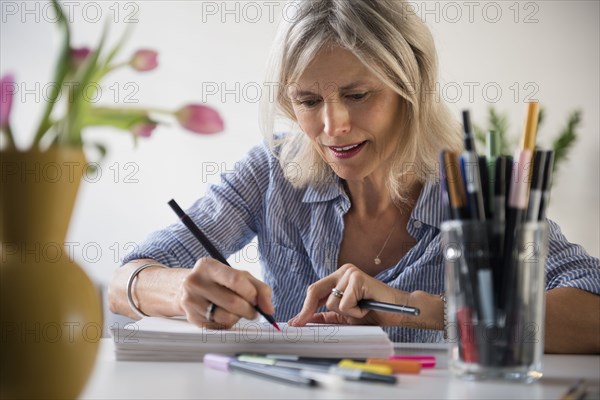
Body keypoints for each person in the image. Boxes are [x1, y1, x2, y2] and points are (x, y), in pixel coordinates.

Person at [108, 0, 600, 353]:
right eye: (308, 101)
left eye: (358, 94)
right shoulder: (272, 173)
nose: (332, 125)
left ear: (412, 88)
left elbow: (592, 311)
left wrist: (416, 308)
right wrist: (182, 292)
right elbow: (126, 278)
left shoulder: (475, 189)